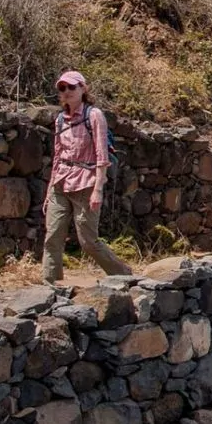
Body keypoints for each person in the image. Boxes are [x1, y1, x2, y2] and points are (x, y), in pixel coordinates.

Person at [41, 70, 136, 283]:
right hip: (61, 181)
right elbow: (57, 156)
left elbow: (102, 156)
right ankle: (51, 286)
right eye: (62, 88)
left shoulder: (93, 115)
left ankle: (124, 275)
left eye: (71, 87)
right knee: (52, 237)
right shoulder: (59, 120)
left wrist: (98, 190)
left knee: (88, 241)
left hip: (86, 182)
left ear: (83, 89)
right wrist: (49, 191)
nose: (67, 92)